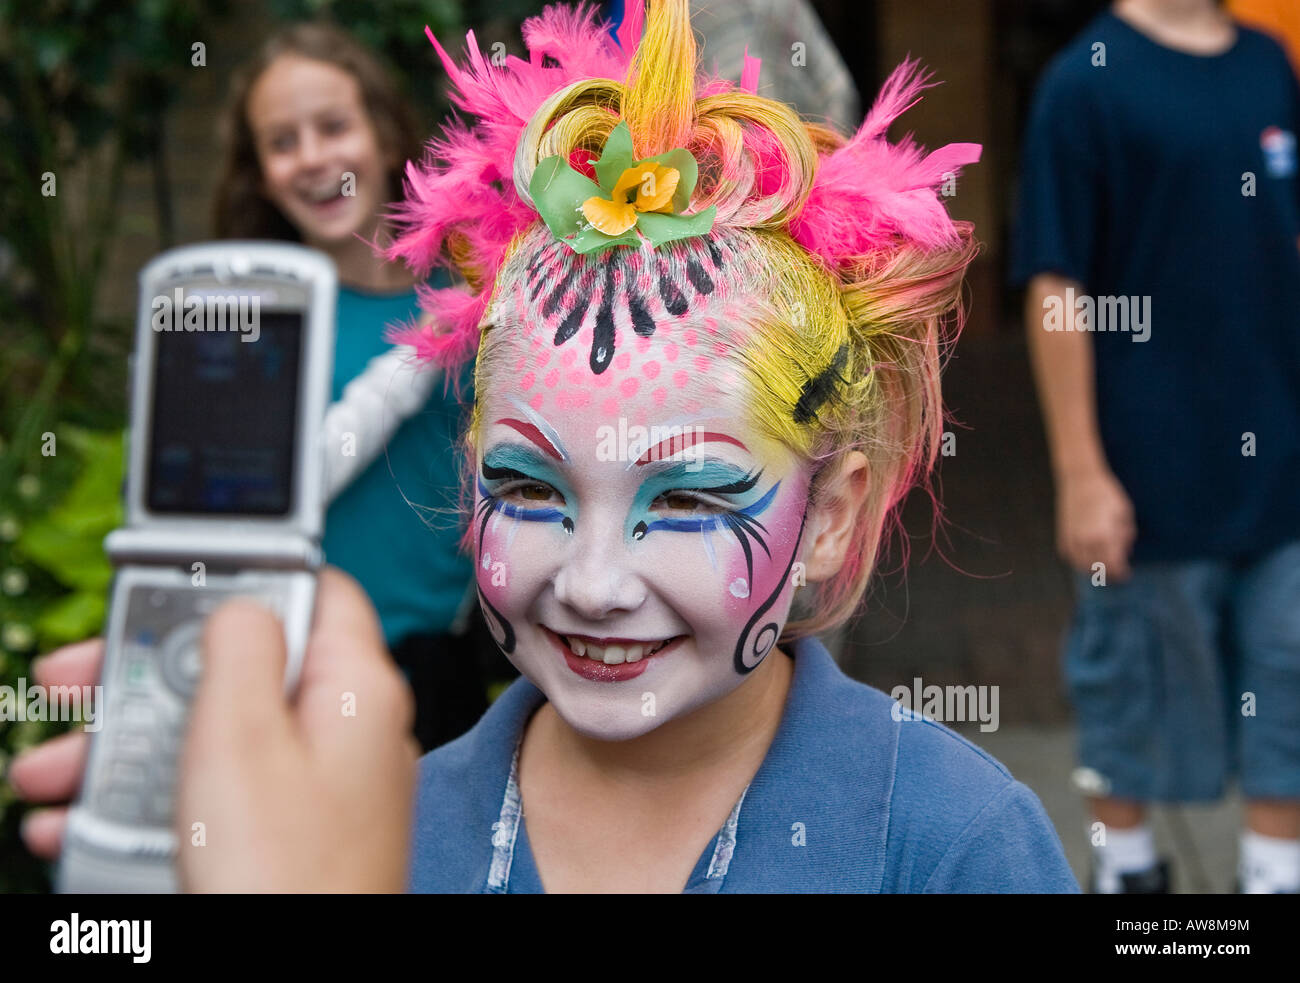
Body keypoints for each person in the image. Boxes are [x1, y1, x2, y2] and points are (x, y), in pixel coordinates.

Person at [13, 0, 1079, 893]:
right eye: (526, 485)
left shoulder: (955, 848)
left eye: (693, 498)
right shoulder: (377, 843)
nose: (594, 582)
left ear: (830, 513)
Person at [1014, 0, 1300, 893]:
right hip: (1146, 467)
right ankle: (1131, 882)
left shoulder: (1268, 62)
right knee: (1129, 686)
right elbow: (1056, 283)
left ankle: (1274, 877)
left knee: (1289, 680)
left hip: (1282, 461)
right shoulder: (1083, 81)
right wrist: (1080, 470)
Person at [212, 22, 497, 749]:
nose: (312, 158)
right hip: (297, 665)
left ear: (383, 131)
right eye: (282, 141)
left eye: (334, 126)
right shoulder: (255, 317)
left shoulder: (470, 295)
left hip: (442, 670)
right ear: (259, 171)